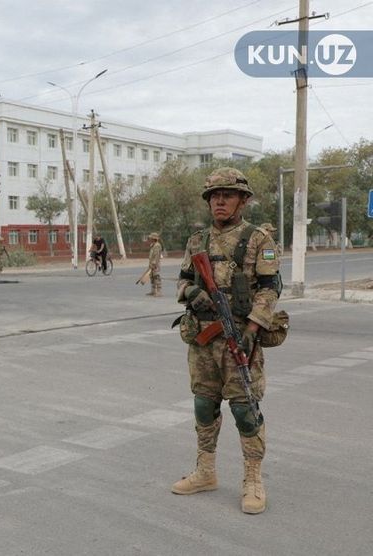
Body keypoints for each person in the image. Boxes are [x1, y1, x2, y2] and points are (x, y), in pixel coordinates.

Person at [172, 167, 280, 514]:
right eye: (214, 196)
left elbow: (270, 287)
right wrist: (192, 292)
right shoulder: (196, 241)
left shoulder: (259, 239)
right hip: (203, 340)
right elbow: (182, 281)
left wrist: (251, 329)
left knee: (244, 409)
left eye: (227, 195)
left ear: (243, 200)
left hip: (239, 337)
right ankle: (205, 472)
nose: (219, 201)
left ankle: (252, 479)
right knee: (204, 405)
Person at [147, 232, 163, 297]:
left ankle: (159, 291)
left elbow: (156, 256)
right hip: (151, 263)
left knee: (157, 277)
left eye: (150, 238)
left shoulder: (157, 245)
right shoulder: (153, 245)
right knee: (152, 277)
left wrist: (154, 264)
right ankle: (153, 291)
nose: (149, 239)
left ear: (153, 238)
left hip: (155, 264)